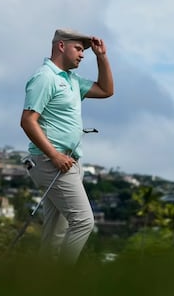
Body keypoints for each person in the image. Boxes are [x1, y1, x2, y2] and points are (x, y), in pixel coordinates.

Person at [20, 28, 114, 264]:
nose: (83, 55)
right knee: (83, 221)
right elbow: (27, 121)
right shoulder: (45, 77)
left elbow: (106, 90)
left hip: (67, 163)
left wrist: (101, 57)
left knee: (55, 232)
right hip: (53, 162)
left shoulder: (71, 80)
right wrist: (54, 156)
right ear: (61, 46)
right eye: (79, 49)